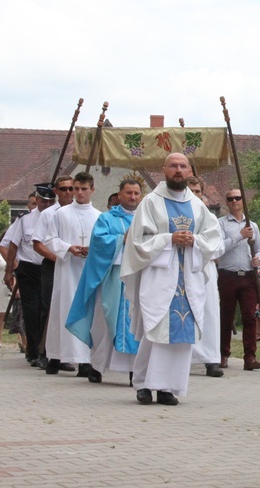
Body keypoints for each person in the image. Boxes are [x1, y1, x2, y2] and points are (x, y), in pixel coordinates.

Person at [121, 153, 222, 405]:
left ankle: (168, 387)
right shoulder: (151, 203)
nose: (178, 170)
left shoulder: (198, 205)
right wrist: (169, 239)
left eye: (183, 166)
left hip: (188, 278)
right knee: (154, 329)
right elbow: (137, 241)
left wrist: (195, 241)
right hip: (158, 276)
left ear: (189, 171)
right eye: (174, 166)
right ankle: (144, 384)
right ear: (163, 169)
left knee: (181, 334)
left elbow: (213, 239)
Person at [66, 180, 142, 384]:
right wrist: (121, 239)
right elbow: (98, 244)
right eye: (128, 193)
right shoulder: (106, 219)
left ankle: (135, 370)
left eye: (136, 193)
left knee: (135, 325)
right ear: (120, 194)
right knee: (105, 324)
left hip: (138, 278)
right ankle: (97, 366)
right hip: (112, 277)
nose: (133, 197)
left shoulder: (146, 219)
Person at [42, 172, 100, 376]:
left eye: (84, 189)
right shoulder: (61, 214)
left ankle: (84, 359)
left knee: (86, 312)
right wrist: (68, 248)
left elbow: (104, 243)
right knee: (62, 310)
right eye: (76, 189)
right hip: (66, 269)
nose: (79, 193)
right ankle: (56, 356)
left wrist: (91, 250)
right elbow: (49, 239)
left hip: (88, 270)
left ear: (92, 189)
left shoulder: (99, 216)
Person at [3, 184, 56, 366]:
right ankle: (33, 350)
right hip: (28, 269)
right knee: (32, 311)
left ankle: (47, 350)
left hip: (50, 268)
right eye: (43, 200)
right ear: (37, 200)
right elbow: (12, 245)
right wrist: (9, 271)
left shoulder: (59, 217)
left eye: (50, 201)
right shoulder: (25, 219)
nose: (47, 204)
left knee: (47, 309)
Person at [218, 188, 260, 371]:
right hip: (227, 275)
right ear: (227, 202)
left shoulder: (253, 226)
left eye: (238, 198)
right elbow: (219, 248)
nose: (234, 201)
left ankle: (250, 356)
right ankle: (223, 354)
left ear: (243, 201)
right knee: (226, 317)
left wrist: (258, 259)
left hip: (247, 276)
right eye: (230, 199)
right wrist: (240, 236)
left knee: (249, 316)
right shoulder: (221, 224)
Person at [32, 175, 75, 370]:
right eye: (63, 189)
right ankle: (44, 352)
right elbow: (38, 243)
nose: (68, 192)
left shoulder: (79, 212)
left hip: (75, 266)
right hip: (54, 264)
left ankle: (64, 354)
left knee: (71, 308)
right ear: (56, 191)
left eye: (71, 188)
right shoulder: (49, 214)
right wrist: (57, 257)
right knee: (49, 307)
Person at [187, 176, 225, 378]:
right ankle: (183, 357)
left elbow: (219, 246)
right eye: (190, 191)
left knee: (209, 312)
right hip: (182, 268)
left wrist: (196, 243)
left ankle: (211, 359)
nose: (194, 195)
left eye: (197, 192)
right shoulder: (177, 214)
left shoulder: (210, 219)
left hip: (206, 269)